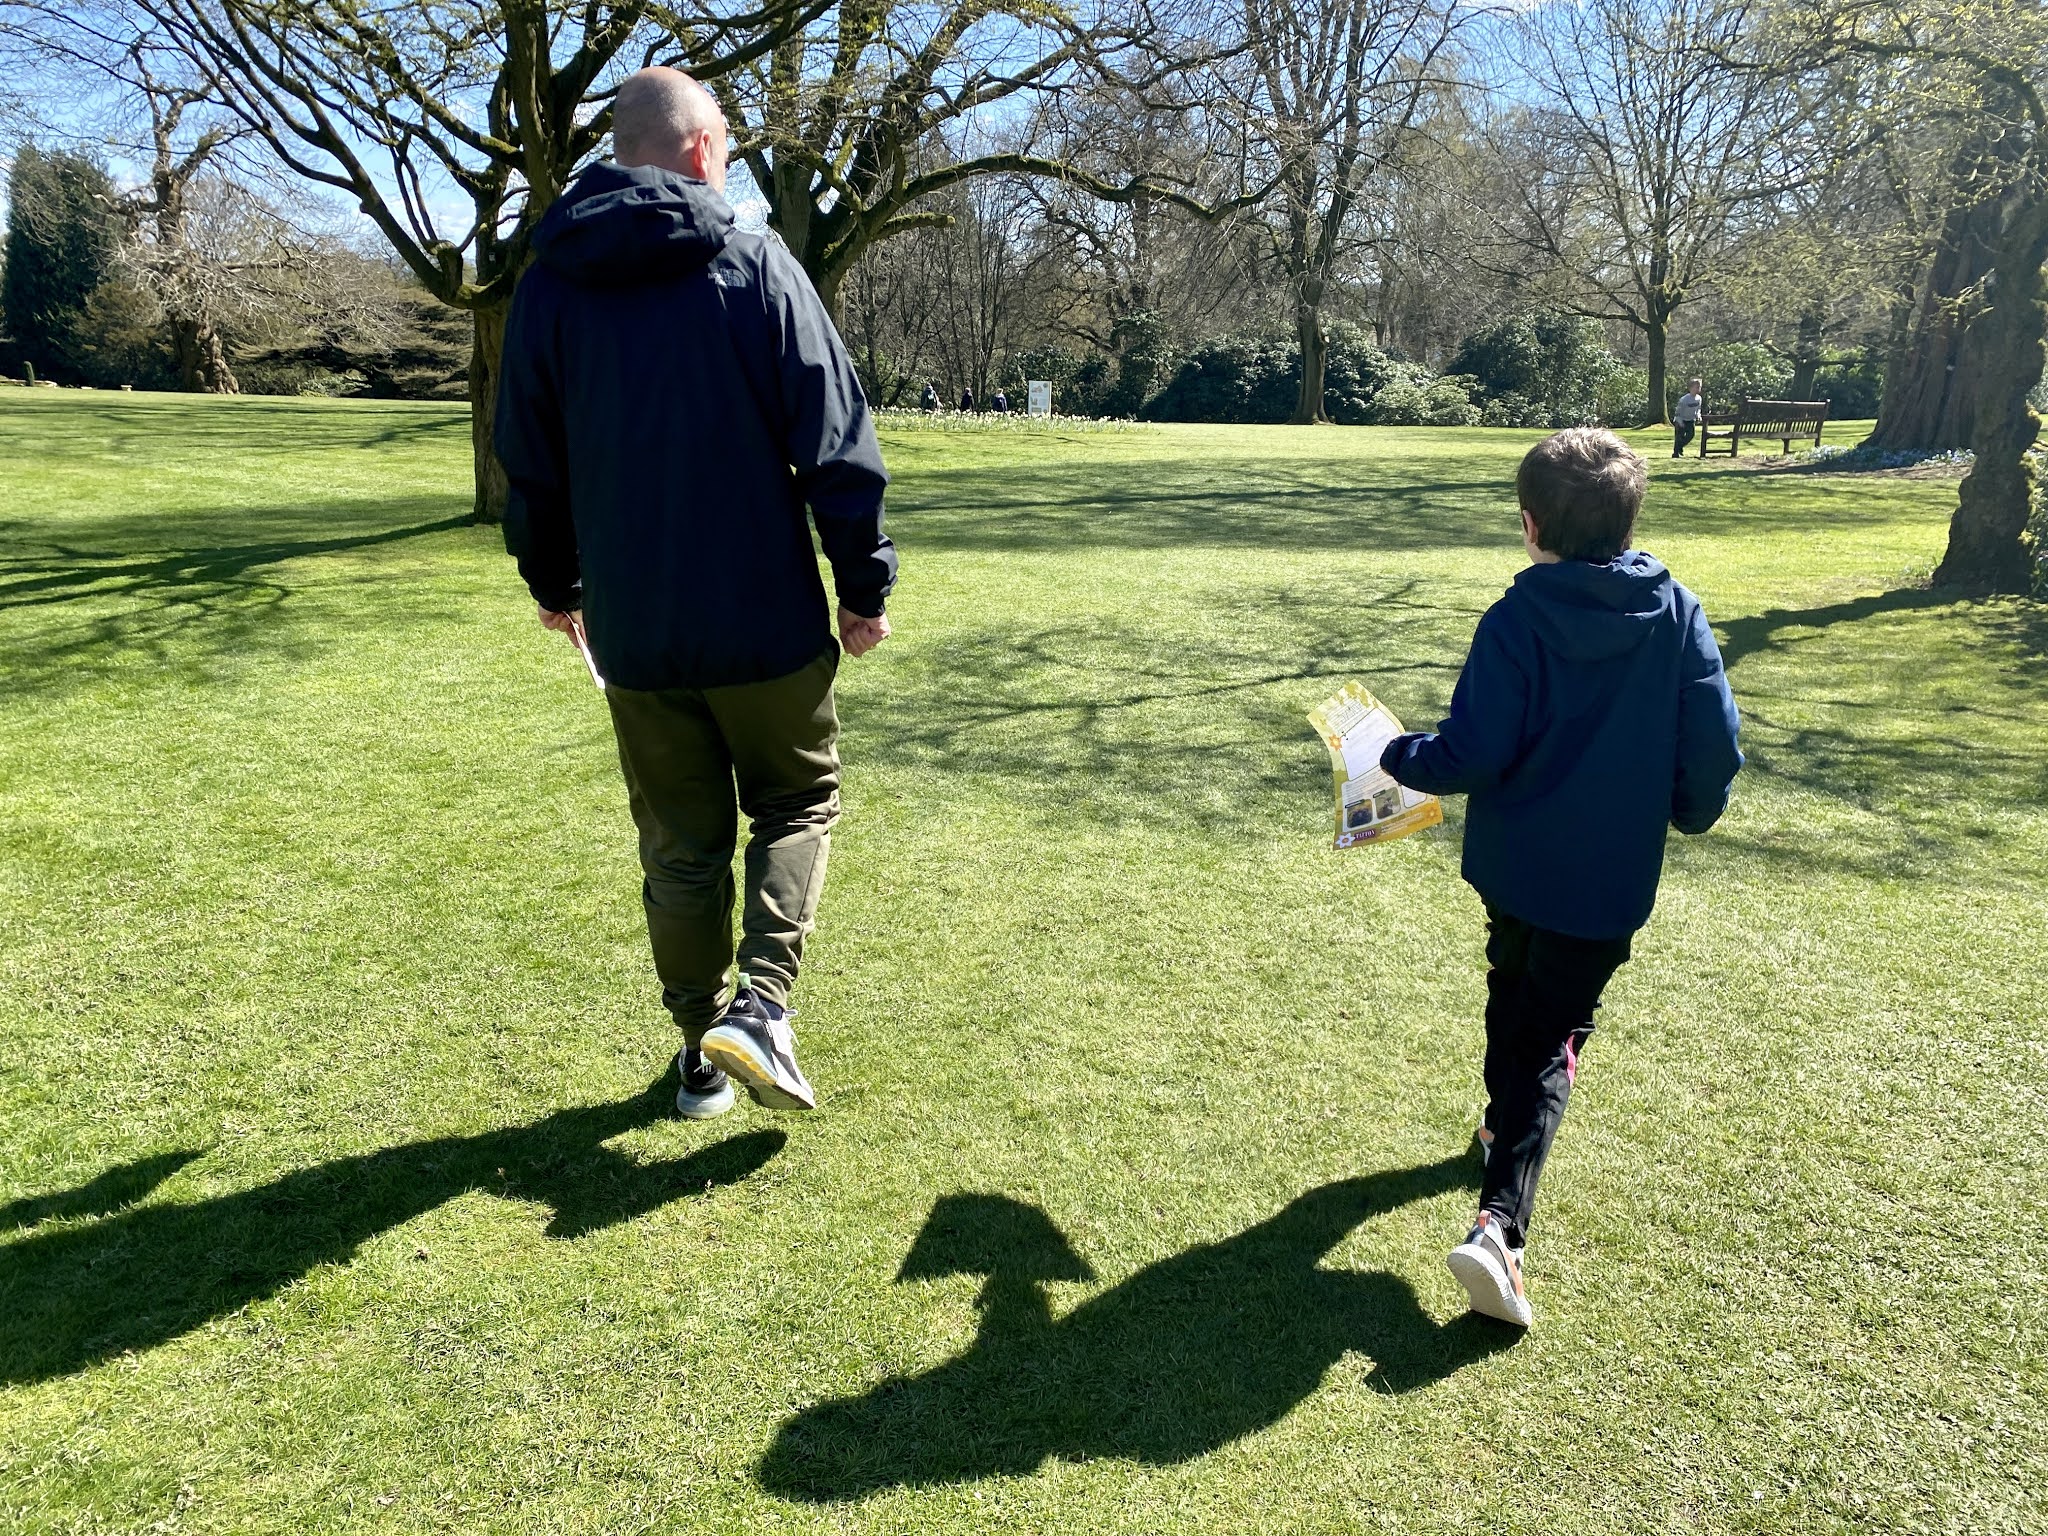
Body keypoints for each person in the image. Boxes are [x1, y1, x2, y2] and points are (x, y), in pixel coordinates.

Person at [496, 67, 898, 1121]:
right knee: (796, 802)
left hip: (635, 631)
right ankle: (759, 1007)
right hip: (763, 621)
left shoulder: (547, 286)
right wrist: (862, 584)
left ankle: (697, 1051)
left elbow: (527, 464)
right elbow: (838, 446)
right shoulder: (756, 262)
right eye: (723, 137)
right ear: (698, 149)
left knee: (679, 847)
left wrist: (554, 584)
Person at [1379, 428, 1741, 1328]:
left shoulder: (1530, 617)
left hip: (1527, 868)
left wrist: (1390, 754)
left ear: (1530, 523)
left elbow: (1472, 751)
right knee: (1542, 1021)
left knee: (1526, 1001)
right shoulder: (1670, 613)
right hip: (1594, 881)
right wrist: (1691, 809)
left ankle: (1503, 1135)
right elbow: (1715, 745)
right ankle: (1501, 1226)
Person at [1672, 378, 1704, 457]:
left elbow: (1698, 409)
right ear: (1690, 388)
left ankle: (1680, 447)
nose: (1698, 389)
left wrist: (1698, 416)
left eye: (1699, 387)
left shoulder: (1699, 399)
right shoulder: (1684, 399)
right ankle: (1676, 453)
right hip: (1681, 420)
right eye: (1696, 387)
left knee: (1690, 435)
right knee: (1679, 437)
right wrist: (1680, 422)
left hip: (1690, 420)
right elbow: (1678, 412)